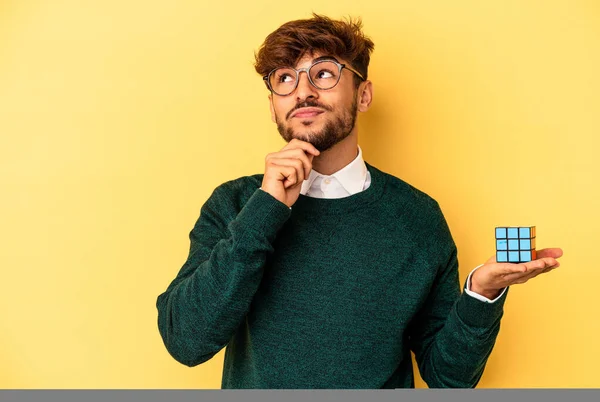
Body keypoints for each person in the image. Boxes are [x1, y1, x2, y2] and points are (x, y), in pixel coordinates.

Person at [156, 13, 562, 389]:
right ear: (273, 105)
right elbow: (185, 341)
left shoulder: (417, 217)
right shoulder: (236, 204)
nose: (303, 91)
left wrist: (480, 294)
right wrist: (266, 210)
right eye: (284, 79)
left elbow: (448, 379)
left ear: (363, 95)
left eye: (325, 74)